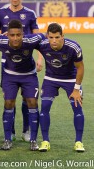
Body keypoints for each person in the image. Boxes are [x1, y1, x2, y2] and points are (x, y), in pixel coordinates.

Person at [0, 19, 44, 151]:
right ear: (7, 34)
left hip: (29, 75)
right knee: (9, 103)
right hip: (10, 75)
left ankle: (33, 140)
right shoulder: (1, 41)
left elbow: (44, 35)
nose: (15, 38)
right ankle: (8, 139)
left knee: (32, 102)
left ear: (23, 34)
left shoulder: (31, 41)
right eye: (12, 35)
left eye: (18, 35)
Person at [0, 0, 41, 142]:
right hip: (7, 62)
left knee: (28, 98)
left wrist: (40, 58)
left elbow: (38, 38)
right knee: (10, 98)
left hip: (26, 61)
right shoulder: (1, 12)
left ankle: (26, 130)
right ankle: (12, 132)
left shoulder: (29, 13)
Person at [37, 23, 85, 152]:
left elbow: (80, 67)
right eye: (51, 37)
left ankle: (79, 142)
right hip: (51, 78)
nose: (54, 41)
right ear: (47, 36)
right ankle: (45, 141)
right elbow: (26, 43)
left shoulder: (73, 47)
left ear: (63, 36)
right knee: (44, 108)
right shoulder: (42, 44)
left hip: (70, 79)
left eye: (57, 37)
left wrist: (76, 89)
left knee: (77, 107)